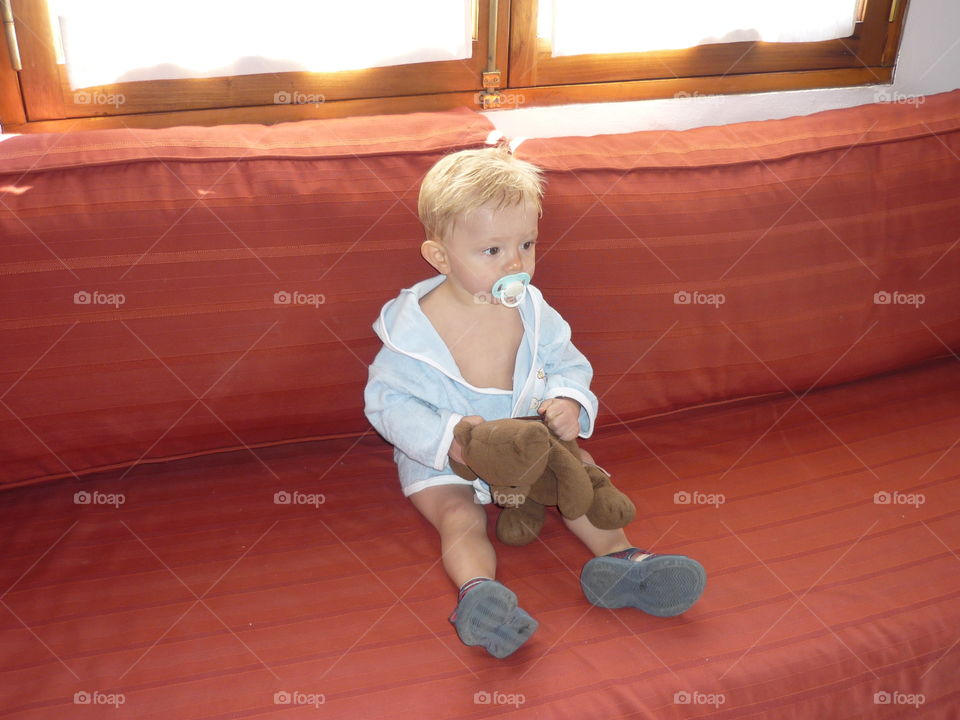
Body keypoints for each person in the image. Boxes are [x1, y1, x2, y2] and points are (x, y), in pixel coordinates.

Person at [364, 145, 705, 659]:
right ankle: (479, 595)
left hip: (535, 447)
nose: (517, 263)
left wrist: (567, 400)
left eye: (526, 243)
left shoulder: (534, 310)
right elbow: (387, 401)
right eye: (493, 251)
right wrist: (449, 438)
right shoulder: (413, 330)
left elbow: (569, 364)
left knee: (584, 476)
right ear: (440, 256)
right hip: (452, 458)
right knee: (460, 516)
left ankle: (622, 560)